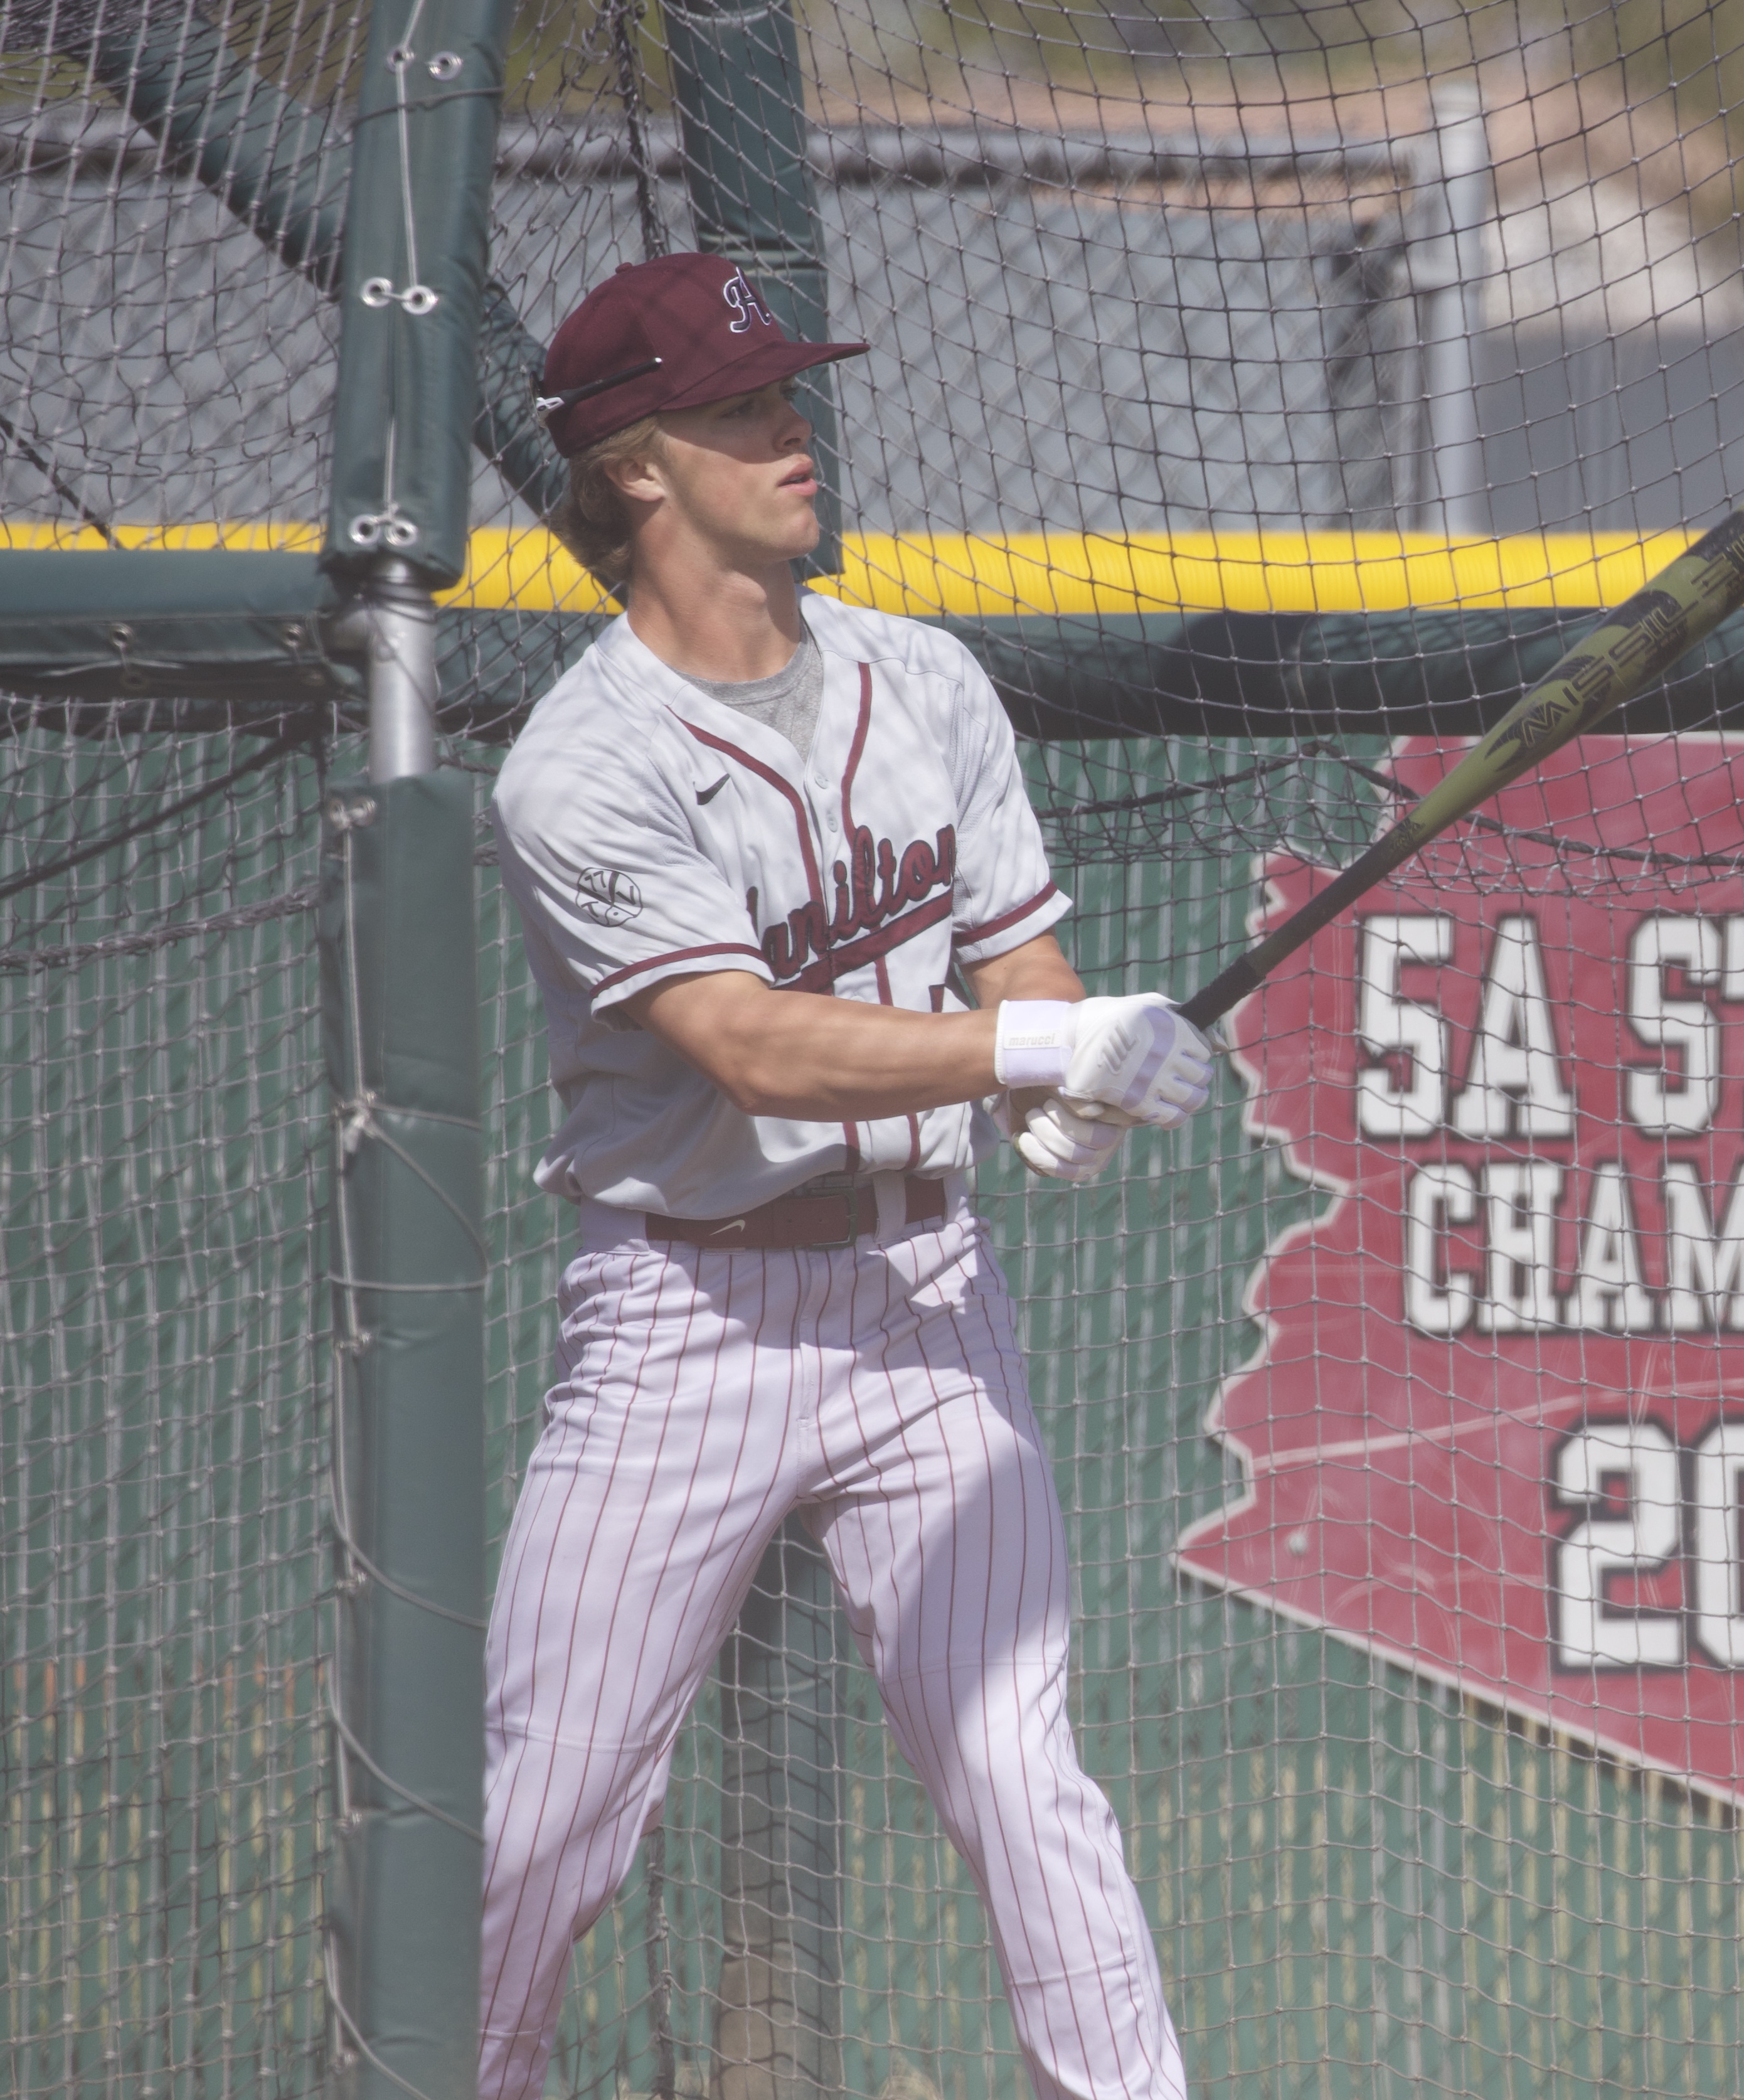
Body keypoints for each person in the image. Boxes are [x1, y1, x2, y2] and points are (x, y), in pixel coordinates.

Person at [481, 252, 1208, 2100]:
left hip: (924, 1297)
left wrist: (1059, 1067)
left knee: (1020, 1772)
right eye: (739, 406)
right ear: (636, 468)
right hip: (686, 1312)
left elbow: (1016, 956)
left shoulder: (926, 677)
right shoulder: (580, 763)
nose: (791, 429)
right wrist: (1021, 1049)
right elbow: (751, 1040)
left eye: (787, 391)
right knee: (543, 1819)